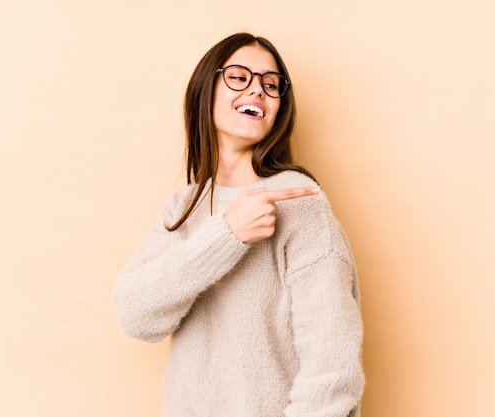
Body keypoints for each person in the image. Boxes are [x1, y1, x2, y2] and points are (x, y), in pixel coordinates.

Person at [113, 32, 364, 417]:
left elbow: (332, 367)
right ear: (205, 89)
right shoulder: (182, 206)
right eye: (238, 76)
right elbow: (135, 315)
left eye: (270, 84)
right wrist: (227, 235)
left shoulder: (297, 200)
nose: (257, 90)